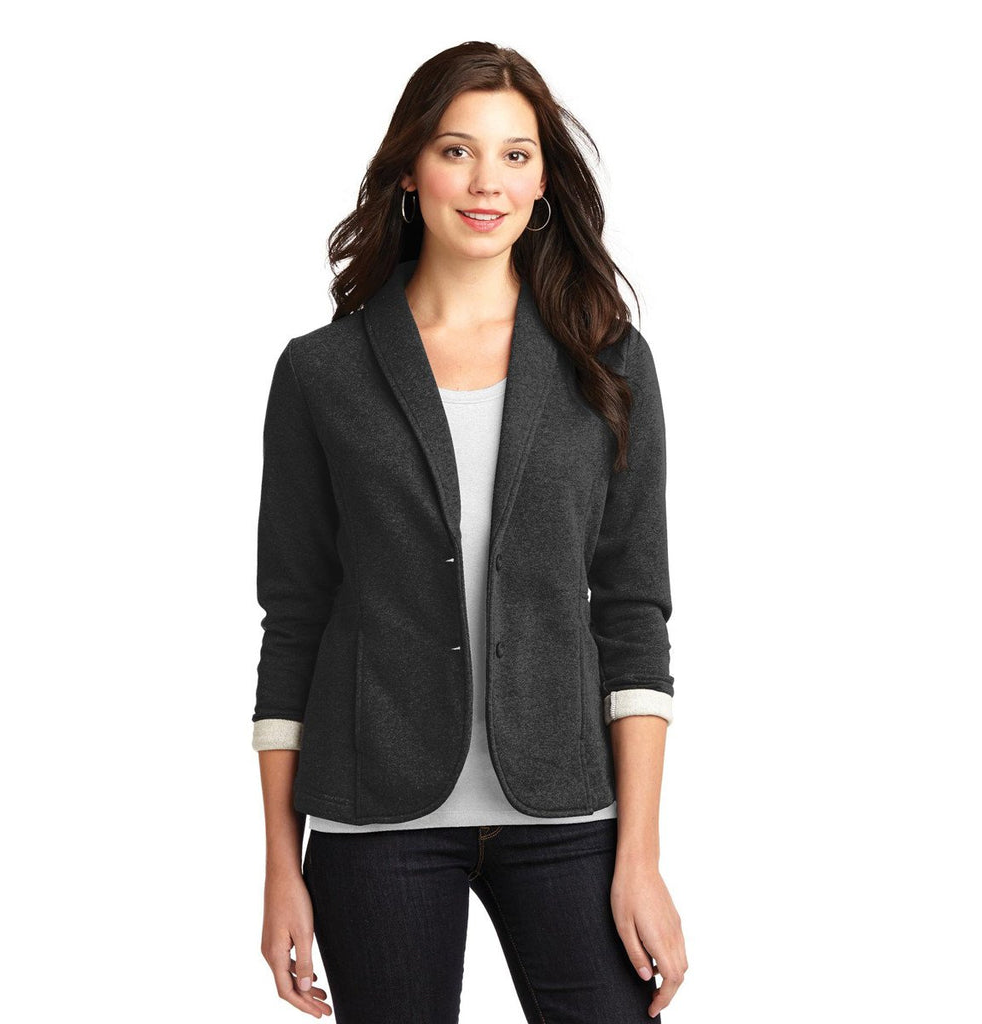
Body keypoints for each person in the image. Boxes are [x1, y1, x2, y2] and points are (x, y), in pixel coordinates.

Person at [252, 40, 688, 1023]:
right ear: (411, 170)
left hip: (570, 810)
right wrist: (282, 863)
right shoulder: (322, 373)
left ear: (542, 182)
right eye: (457, 150)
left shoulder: (606, 363)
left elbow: (633, 613)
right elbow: (294, 619)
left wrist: (641, 855)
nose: (487, 181)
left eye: (515, 155)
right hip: (373, 821)